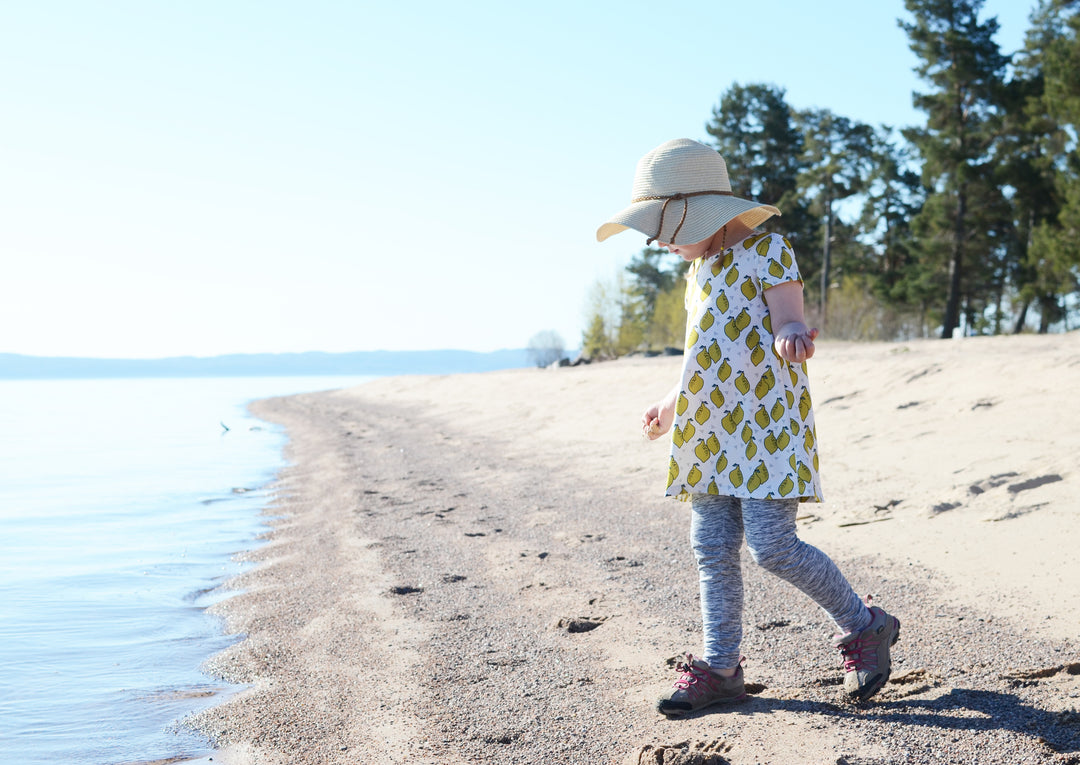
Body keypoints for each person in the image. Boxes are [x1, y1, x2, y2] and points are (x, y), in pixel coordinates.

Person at [596, 138, 899, 715]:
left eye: (664, 226)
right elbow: (698, 356)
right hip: (708, 430)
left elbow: (789, 321)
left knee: (772, 547)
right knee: (710, 547)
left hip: (765, 428)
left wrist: (791, 338)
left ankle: (865, 627)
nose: (659, 241)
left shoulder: (770, 252)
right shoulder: (698, 271)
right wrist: (668, 404)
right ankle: (720, 668)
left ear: (697, 212)